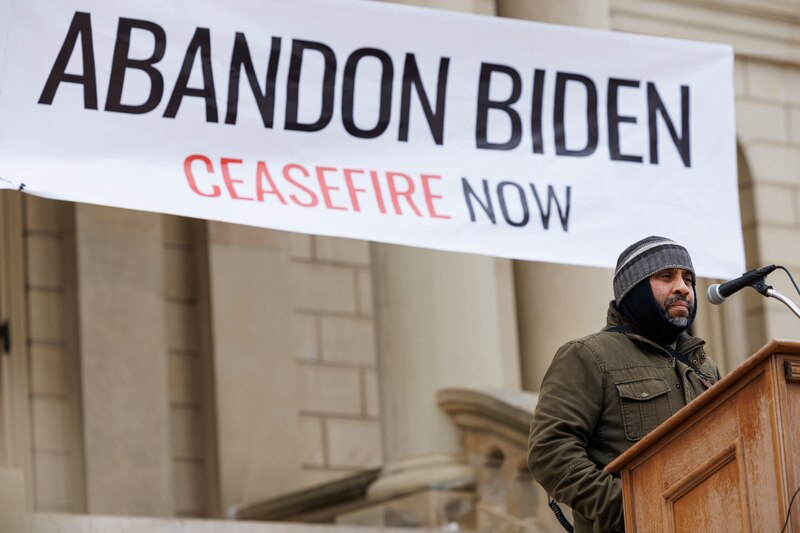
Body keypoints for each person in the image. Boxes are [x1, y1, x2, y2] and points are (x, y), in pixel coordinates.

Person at [528, 236, 721, 533]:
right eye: (667, 276)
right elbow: (550, 452)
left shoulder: (704, 367)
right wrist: (628, 509)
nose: (683, 287)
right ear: (635, 288)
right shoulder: (588, 355)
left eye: (688, 278)